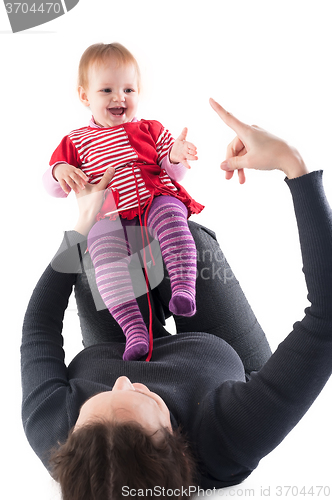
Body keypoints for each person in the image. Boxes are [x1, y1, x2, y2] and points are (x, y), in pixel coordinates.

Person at [22, 98, 332, 499]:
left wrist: (82, 227)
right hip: (217, 358)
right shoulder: (230, 438)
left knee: (87, 264)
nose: (121, 380)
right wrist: (295, 166)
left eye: (94, 403)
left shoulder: (55, 435)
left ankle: (135, 244)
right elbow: (326, 321)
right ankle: (159, 257)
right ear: (174, 437)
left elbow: (38, 328)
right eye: (136, 397)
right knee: (192, 246)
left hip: (119, 340)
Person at [42, 42, 204, 361]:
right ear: (85, 96)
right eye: (107, 90)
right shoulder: (75, 140)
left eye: (128, 88)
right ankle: (134, 329)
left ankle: (184, 287)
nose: (119, 97)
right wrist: (60, 170)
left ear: (138, 92)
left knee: (174, 220)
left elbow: (172, 168)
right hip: (109, 216)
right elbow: (52, 186)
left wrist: (177, 154)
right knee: (104, 261)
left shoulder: (149, 128)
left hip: (153, 197)